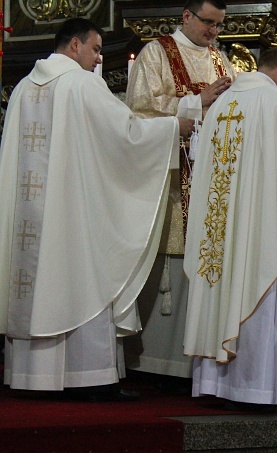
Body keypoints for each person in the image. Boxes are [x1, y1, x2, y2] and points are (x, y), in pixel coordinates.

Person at [0, 18, 193, 399]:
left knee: (38, 285)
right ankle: (88, 377)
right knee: (85, 275)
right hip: (72, 215)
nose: (98, 57)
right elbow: (126, 135)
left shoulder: (22, 88)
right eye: (95, 49)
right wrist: (173, 129)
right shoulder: (81, 84)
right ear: (75, 45)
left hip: (30, 220)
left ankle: (30, 377)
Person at [183, 47, 277, 411]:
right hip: (259, 226)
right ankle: (255, 389)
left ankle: (215, 384)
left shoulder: (220, 105)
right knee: (258, 290)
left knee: (221, 291)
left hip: (218, 228)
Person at [124, 0, 237, 384]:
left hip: (211, 182)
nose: (213, 33)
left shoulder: (221, 62)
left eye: (219, 26)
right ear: (186, 16)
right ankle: (157, 364)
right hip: (171, 182)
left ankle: (197, 361)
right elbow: (138, 113)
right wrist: (197, 102)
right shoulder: (156, 53)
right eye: (207, 23)